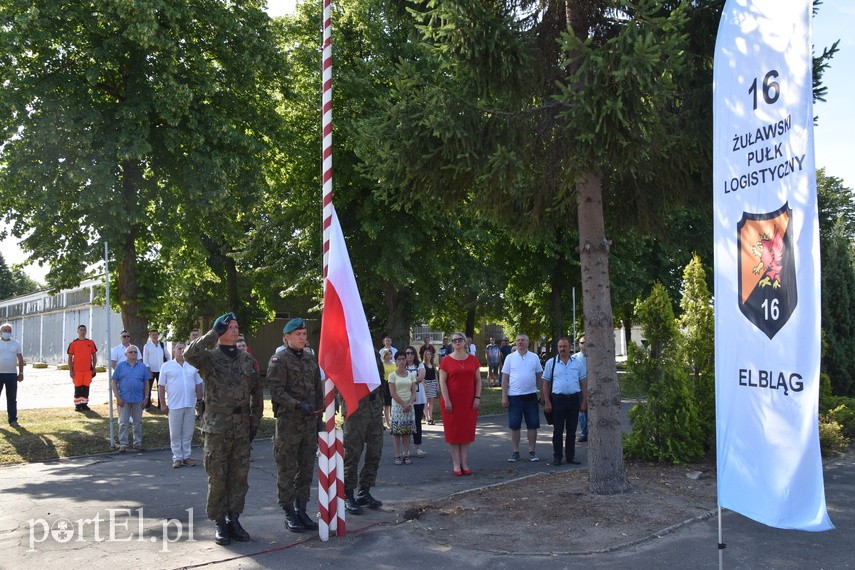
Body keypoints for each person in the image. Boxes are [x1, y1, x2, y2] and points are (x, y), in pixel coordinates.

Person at [185, 312, 263, 546]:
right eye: (228, 326)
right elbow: (190, 354)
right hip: (217, 428)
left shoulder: (246, 359)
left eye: (236, 326)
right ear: (220, 331)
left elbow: (257, 394)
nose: (234, 329)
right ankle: (219, 522)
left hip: (241, 428)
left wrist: (255, 422)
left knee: (239, 477)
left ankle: (234, 519)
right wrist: (212, 334)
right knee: (218, 477)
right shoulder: (209, 358)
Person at [267, 317, 323, 533]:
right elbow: (276, 391)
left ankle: (302, 508)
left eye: (304, 334)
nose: (302, 337)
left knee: (306, 469)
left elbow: (318, 390)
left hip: (309, 424)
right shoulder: (279, 360)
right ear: (286, 338)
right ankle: (289, 511)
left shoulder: (310, 360)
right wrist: (298, 404)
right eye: (298, 334)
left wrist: (320, 414)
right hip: (289, 424)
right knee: (287, 469)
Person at [438, 332, 481, 476]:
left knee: (466, 432)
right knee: (453, 432)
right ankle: (456, 463)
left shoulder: (473, 360)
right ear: (451, 343)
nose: (457, 342)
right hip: (451, 402)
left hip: (469, 402)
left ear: (465, 342)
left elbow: (478, 381)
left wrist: (477, 397)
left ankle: (464, 462)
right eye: (454, 340)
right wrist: (447, 400)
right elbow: (442, 382)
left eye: (460, 339)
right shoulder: (446, 361)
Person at [541, 337, 587, 466]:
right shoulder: (551, 363)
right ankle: (557, 457)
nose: (562, 349)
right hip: (557, 400)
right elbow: (545, 383)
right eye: (560, 346)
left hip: (573, 400)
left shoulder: (578, 363)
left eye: (565, 346)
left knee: (572, 431)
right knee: (558, 431)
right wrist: (547, 401)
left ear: (570, 347)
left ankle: (570, 457)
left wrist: (584, 401)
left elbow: (583, 383)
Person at [342, 379, 385, 515]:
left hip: (375, 408)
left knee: (375, 452)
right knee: (352, 454)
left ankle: (364, 491)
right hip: (355, 407)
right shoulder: (351, 356)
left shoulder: (374, 357)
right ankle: (347, 495)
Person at [158, 342, 204, 468]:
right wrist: (163, 404)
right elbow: (161, 386)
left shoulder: (192, 366)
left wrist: (199, 401)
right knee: (175, 433)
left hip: (189, 404)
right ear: (174, 351)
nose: (182, 351)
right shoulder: (167, 366)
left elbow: (198, 384)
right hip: (174, 405)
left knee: (188, 433)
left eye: (184, 349)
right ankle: (177, 457)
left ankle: (187, 456)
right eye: (179, 349)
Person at [501, 334, 543, 462]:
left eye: (523, 340)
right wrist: (504, 396)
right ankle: (515, 451)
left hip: (531, 396)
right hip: (514, 397)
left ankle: (532, 451)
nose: (520, 342)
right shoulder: (510, 358)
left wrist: (543, 395)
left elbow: (539, 377)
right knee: (514, 426)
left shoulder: (534, 357)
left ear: (527, 343)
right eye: (518, 340)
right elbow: (505, 378)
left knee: (532, 425)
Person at [111, 345, 150, 452]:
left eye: (135, 352)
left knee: (137, 422)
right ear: (126, 354)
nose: (133, 354)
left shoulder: (142, 367)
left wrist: (146, 397)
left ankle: (137, 443)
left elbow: (146, 382)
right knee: (123, 422)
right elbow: (114, 382)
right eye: (131, 352)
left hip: (138, 399)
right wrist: (117, 397)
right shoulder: (120, 366)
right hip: (124, 399)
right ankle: (123, 444)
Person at [388, 352, 416, 465]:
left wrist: (409, 404)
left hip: (409, 405)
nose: (401, 361)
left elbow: (414, 392)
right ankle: (397, 455)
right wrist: (403, 404)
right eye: (399, 359)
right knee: (396, 432)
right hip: (397, 406)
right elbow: (392, 392)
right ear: (396, 361)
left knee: (406, 431)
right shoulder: (392, 375)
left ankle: (406, 453)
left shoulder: (411, 375)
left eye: (403, 359)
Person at [67, 324, 97, 412]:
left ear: (86, 331)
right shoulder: (73, 344)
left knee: (86, 387)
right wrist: (71, 370)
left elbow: (94, 355)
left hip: (88, 370)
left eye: (84, 330)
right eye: (81, 330)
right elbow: (69, 358)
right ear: (77, 331)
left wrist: (94, 367)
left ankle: (84, 404)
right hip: (77, 370)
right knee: (78, 387)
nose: (82, 331)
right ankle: (77, 405)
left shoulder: (90, 342)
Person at [404, 346, 427, 458]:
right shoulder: (402, 365)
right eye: (407, 353)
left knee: (417, 422)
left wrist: (406, 380)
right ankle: (406, 449)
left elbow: (421, 377)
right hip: (405, 397)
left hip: (419, 397)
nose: (409, 355)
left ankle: (418, 448)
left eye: (412, 353)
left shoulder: (420, 365)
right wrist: (413, 379)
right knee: (406, 423)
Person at [0, 322, 25, 428]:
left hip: (12, 375)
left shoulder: (16, 343)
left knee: (11, 398)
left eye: (9, 331)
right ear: (0, 332)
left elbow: (20, 359)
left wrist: (21, 373)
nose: (7, 332)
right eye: (5, 330)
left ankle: (13, 420)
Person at [143, 329, 169, 410]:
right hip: (150, 370)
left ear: (158, 335)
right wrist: (148, 370)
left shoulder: (162, 345)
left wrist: (167, 365)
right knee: (148, 387)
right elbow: (145, 359)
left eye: (156, 334)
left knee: (160, 388)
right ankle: (147, 405)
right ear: (150, 336)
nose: (154, 336)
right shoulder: (147, 346)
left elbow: (168, 356)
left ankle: (161, 405)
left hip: (161, 371)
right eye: (153, 334)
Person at [576, 336, 589, 443]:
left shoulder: (594, 357)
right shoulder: (575, 358)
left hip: (594, 388)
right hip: (580, 389)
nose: (584, 344)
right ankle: (584, 433)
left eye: (586, 342)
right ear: (579, 344)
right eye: (582, 342)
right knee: (582, 412)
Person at [379, 348, 396, 428]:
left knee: (393, 403)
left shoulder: (394, 364)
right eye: (387, 354)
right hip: (385, 384)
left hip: (394, 383)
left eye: (390, 354)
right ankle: (388, 422)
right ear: (384, 356)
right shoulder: (382, 364)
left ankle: (394, 420)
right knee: (387, 404)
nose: (389, 355)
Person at [422, 346, 439, 425]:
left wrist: (437, 383)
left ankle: (430, 417)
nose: (429, 356)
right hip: (426, 383)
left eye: (430, 354)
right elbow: (422, 376)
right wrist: (424, 385)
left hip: (432, 383)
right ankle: (427, 418)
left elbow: (435, 374)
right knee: (425, 401)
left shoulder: (433, 364)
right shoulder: (422, 365)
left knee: (431, 401)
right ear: (425, 355)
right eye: (427, 354)